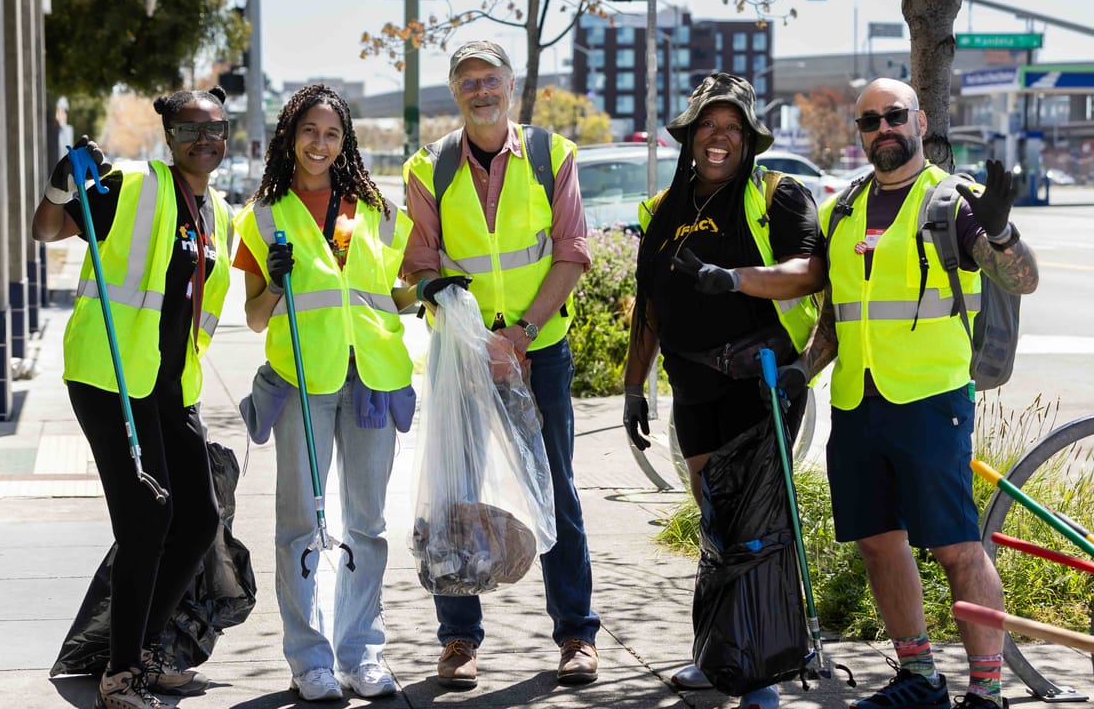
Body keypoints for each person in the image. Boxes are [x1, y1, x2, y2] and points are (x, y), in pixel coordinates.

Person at [799, 78, 1039, 709]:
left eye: (894, 116)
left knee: (957, 545)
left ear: (921, 121)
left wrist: (1003, 232)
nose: (884, 129)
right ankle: (919, 677)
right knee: (879, 541)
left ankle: (986, 691)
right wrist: (803, 372)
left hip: (932, 401)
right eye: (870, 121)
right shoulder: (842, 210)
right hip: (857, 403)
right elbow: (836, 314)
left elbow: (1024, 278)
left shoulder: (951, 202)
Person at [622, 71, 825, 709]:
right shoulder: (663, 210)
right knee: (715, 524)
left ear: (749, 139)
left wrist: (732, 280)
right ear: (688, 135)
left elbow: (809, 271)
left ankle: (759, 673)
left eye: (732, 128)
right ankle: (718, 658)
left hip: (757, 382)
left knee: (754, 527)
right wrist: (634, 387)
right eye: (708, 126)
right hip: (692, 388)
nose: (719, 138)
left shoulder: (776, 194)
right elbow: (647, 307)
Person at [401, 40, 601, 687]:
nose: (480, 90)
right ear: (455, 94)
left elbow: (571, 251)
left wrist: (520, 333)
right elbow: (422, 263)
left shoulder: (552, 156)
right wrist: (472, 332)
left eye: (490, 79)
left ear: (510, 86)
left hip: (538, 353)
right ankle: (459, 640)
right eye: (467, 82)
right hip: (461, 356)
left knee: (556, 491)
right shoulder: (427, 168)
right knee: (456, 493)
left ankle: (576, 634)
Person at [31, 87, 234, 709]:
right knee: (147, 517)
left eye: (217, 129)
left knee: (198, 519)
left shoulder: (219, 212)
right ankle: (120, 675)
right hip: (110, 377)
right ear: (168, 135)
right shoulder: (133, 184)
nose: (206, 140)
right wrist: (62, 187)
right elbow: (47, 229)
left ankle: (144, 648)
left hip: (170, 387)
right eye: (192, 129)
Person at [232, 84, 418, 702]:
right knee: (300, 526)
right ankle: (308, 659)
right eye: (309, 130)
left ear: (346, 142)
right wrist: (276, 284)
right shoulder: (261, 214)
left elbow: (394, 295)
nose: (320, 142)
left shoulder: (376, 211)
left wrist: (436, 289)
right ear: (290, 135)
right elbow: (256, 318)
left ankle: (363, 654)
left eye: (332, 133)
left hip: (372, 380)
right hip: (302, 386)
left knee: (368, 524)